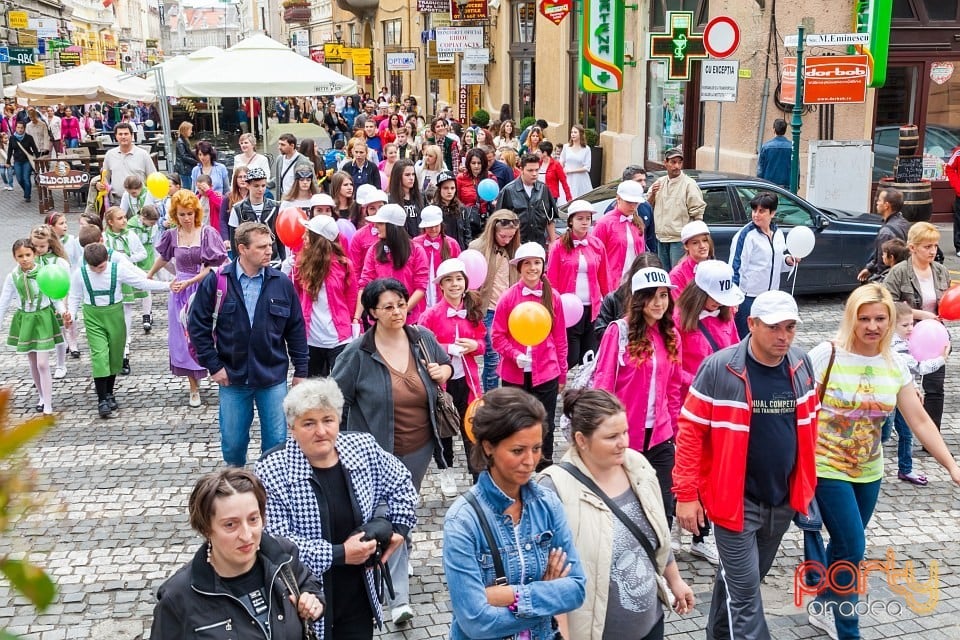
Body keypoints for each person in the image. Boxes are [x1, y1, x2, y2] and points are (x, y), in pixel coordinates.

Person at [804, 284, 960, 640]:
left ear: (890, 321)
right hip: (826, 466)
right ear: (851, 319)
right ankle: (849, 630)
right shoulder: (826, 354)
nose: (872, 326)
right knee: (854, 548)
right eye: (864, 318)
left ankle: (824, 600)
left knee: (844, 543)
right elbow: (794, 407)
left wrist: (951, 465)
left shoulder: (894, 363)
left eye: (879, 318)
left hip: (870, 470)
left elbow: (919, 420)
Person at [673, 290, 818, 640]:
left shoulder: (801, 363)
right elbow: (690, 431)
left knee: (742, 583)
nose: (783, 336)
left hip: (781, 501)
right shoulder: (720, 368)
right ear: (751, 324)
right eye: (773, 328)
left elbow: (810, 427)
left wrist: (808, 486)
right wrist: (686, 494)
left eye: (790, 327)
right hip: (733, 502)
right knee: (747, 599)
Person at [254, 378, 418, 639]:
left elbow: (402, 482)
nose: (321, 431)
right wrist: (339, 554)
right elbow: (275, 540)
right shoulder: (272, 469)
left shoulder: (363, 448)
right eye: (309, 423)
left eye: (328, 420)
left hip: (358, 593)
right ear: (291, 428)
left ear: (339, 419)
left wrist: (397, 527)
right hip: (303, 598)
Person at [331, 277, 453, 626]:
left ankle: (396, 559)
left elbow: (447, 367)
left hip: (420, 448)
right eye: (388, 306)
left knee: (402, 512)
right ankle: (398, 597)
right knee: (388, 516)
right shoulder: (357, 353)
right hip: (376, 455)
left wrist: (443, 370)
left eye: (401, 304)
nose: (397, 311)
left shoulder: (422, 340)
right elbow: (336, 400)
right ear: (372, 312)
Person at [540, 389, 696, 640]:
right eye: (611, 436)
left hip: (651, 624)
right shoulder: (554, 488)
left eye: (624, 431)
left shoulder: (637, 465)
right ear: (581, 440)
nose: (623, 442)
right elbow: (550, 577)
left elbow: (657, 530)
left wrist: (675, 580)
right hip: (596, 632)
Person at [442, 387, 586, 640]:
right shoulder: (463, 520)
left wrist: (511, 595)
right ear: (488, 448)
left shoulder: (548, 504)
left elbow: (576, 589)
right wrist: (547, 594)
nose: (530, 461)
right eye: (518, 451)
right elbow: (475, 621)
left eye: (537, 448)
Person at [150, 469, 325, 639]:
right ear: (206, 528)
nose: (247, 535)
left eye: (253, 519)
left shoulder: (281, 557)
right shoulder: (178, 597)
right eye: (230, 525)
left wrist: (313, 600)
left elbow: (308, 585)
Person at [187, 221, 308, 467]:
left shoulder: (281, 283)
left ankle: (271, 490)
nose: (269, 251)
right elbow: (197, 326)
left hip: (272, 377)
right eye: (261, 246)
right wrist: (214, 366)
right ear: (242, 249)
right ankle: (237, 487)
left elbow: (295, 328)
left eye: (270, 245)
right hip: (232, 377)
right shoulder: (217, 282)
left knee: (276, 444)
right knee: (233, 445)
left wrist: (301, 370)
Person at [593, 265, 682, 522]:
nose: (658, 302)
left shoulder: (671, 335)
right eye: (651, 295)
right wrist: (604, 435)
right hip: (624, 437)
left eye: (664, 295)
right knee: (625, 511)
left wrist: (676, 432)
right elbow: (604, 385)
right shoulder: (618, 331)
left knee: (663, 511)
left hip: (661, 437)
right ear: (638, 298)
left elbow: (673, 388)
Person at [671, 259, 743, 564]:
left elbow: (737, 351)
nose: (720, 304)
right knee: (685, 465)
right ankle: (676, 524)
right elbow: (672, 367)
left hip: (720, 406)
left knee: (710, 469)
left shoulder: (726, 316)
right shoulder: (676, 321)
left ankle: (701, 534)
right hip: (688, 405)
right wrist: (704, 381)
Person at [68, 243, 170, 418]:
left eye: (101, 266)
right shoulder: (81, 274)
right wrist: (71, 314)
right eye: (94, 268)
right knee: (100, 356)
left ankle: (109, 392)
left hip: (115, 314)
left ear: (106, 259)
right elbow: (74, 296)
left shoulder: (118, 270)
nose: (98, 270)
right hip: (93, 317)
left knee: (115, 356)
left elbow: (141, 282)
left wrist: (168, 285)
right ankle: (101, 399)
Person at [148, 190, 227, 407]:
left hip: (203, 288)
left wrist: (191, 282)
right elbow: (164, 258)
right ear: (175, 215)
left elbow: (213, 266)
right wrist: (149, 275)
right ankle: (193, 386)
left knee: (213, 335)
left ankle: (221, 377)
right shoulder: (172, 235)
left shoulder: (207, 233)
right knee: (183, 338)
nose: (186, 218)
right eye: (182, 214)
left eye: (190, 213)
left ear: (196, 213)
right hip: (180, 291)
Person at [492, 242, 567, 469]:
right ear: (519, 267)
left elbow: (560, 338)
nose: (532, 268)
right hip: (514, 375)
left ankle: (545, 468)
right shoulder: (508, 298)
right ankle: (516, 467)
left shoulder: (553, 297)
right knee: (515, 423)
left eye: (537, 263)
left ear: (543, 266)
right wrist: (514, 355)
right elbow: (497, 336)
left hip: (546, 373)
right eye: (528, 264)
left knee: (544, 424)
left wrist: (562, 374)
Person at [419, 258, 487, 490]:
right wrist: (448, 349)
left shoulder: (473, 311)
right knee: (444, 430)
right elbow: (422, 346)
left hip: (468, 383)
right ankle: (445, 470)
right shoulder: (431, 315)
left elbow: (483, 344)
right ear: (441, 286)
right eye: (449, 280)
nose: (455, 284)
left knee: (472, 429)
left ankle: (478, 476)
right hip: (442, 384)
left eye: (459, 279)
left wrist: (473, 346)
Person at [883, 221, 950, 432]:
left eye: (935, 246)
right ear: (912, 247)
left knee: (935, 387)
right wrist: (920, 314)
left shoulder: (940, 271)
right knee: (901, 386)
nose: (933, 251)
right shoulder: (899, 272)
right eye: (927, 246)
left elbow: (946, 302)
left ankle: (932, 436)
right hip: (905, 338)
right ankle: (898, 433)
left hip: (934, 338)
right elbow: (888, 304)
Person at [0, 239, 66, 414]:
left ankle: (49, 405)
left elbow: (54, 296)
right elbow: (4, 301)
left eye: (28, 255)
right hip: (25, 320)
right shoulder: (12, 277)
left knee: (43, 363)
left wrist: (63, 311)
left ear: (35, 254)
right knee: (33, 361)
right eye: (20, 256)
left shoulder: (43, 273)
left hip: (43, 318)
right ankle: (41, 396)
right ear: (14, 257)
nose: (24, 259)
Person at [885, 301, 947, 486]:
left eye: (912, 323)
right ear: (891, 325)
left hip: (904, 394)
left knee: (906, 433)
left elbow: (908, 374)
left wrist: (913, 387)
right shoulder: (896, 346)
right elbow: (919, 367)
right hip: (890, 395)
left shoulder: (906, 341)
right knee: (884, 433)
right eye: (905, 325)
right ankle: (867, 463)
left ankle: (906, 469)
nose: (911, 328)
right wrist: (941, 359)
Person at [291, 216, 358, 377]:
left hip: (339, 338)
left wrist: (352, 323)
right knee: (314, 391)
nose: (303, 237)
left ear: (318, 239)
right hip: (311, 338)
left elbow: (352, 299)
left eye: (307, 234)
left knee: (340, 388)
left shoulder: (344, 265)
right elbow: (296, 295)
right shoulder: (300, 264)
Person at [546, 199, 610, 368]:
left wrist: (609, 305)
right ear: (571, 221)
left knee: (589, 357)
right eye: (580, 218)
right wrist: (553, 308)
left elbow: (604, 278)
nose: (584, 222)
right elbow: (551, 280)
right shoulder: (558, 247)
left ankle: (583, 392)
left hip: (593, 310)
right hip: (568, 310)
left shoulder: (597, 245)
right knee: (570, 356)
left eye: (587, 219)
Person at [729, 191, 799, 338]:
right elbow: (735, 268)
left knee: (766, 338)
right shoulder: (746, 235)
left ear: (772, 213)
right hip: (748, 298)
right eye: (754, 210)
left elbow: (776, 260)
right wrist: (734, 299)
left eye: (761, 211)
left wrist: (788, 260)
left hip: (771, 297)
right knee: (745, 338)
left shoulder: (778, 233)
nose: (756, 215)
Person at [356, 204, 429, 324]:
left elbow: (420, 287)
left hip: (409, 320)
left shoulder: (416, 250)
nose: (375, 226)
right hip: (381, 321)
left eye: (380, 223)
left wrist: (401, 312)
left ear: (392, 227)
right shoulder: (374, 250)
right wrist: (356, 317)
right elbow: (365, 283)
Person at [102, 206, 147, 375]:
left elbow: (142, 253)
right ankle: (110, 350)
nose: (124, 220)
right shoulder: (105, 238)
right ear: (110, 222)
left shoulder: (130, 235)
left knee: (126, 314)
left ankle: (124, 351)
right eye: (120, 218)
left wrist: (128, 258)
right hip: (109, 279)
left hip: (125, 276)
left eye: (124, 217)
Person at [646, 147, 705, 271]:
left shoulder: (689, 185)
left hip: (679, 241)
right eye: (673, 162)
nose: (677, 166)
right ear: (665, 163)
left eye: (679, 162)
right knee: (663, 276)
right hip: (660, 239)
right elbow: (648, 207)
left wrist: (691, 243)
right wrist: (652, 195)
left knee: (678, 275)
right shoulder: (659, 183)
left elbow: (698, 215)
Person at [495, 154, 558, 248]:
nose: (534, 174)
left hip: (538, 243)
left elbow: (550, 218)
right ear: (521, 170)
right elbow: (498, 222)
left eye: (537, 170)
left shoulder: (543, 189)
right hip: (515, 244)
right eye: (530, 170)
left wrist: (553, 242)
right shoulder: (508, 191)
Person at [593, 180, 646, 288]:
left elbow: (641, 252)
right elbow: (595, 256)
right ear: (618, 198)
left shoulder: (637, 222)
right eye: (629, 202)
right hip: (612, 283)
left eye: (635, 203)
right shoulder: (604, 223)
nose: (633, 206)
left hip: (635, 282)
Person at [227, 167, 284, 264]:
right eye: (256, 186)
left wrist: (284, 260)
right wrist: (237, 264)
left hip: (272, 260)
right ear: (248, 185)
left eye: (263, 185)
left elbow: (280, 239)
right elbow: (234, 241)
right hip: (248, 262)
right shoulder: (237, 209)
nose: (260, 189)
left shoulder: (276, 207)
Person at [857, 187, 910, 283]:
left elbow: (883, 266)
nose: (877, 202)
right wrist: (869, 269)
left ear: (886, 205)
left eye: (879, 200)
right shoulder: (904, 222)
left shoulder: (885, 233)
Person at [412, 205, 461, 307]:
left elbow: (459, 271)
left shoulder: (452, 244)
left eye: (436, 225)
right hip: (421, 295)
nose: (433, 229)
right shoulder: (415, 243)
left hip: (444, 294)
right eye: (429, 226)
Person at [125, 203, 161, 334]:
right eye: (150, 222)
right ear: (143, 217)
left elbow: (155, 242)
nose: (152, 225)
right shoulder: (131, 227)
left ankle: (147, 315)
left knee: (147, 287)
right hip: (134, 260)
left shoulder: (154, 227)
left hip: (148, 259)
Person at [102, 122, 157, 207]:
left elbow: (153, 177)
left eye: (126, 134)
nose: (123, 136)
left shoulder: (143, 154)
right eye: (120, 134)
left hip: (139, 202)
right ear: (116, 136)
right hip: (117, 202)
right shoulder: (110, 155)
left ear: (131, 135)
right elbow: (105, 177)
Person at [669, 220, 714, 296]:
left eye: (705, 240)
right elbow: (678, 305)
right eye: (695, 243)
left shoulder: (717, 268)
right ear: (686, 246)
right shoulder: (677, 274)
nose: (702, 246)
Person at [432, 170, 471, 250]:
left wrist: (466, 250)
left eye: (452, 188)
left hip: (458, 250)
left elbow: (467, 233)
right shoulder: (433, 209)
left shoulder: (462, 208)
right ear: (439, 189)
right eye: (445, 188)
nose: (449, 191)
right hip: (441, 250)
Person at [388, 159, 425, 237]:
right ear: (398, 176)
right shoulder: (390, 200)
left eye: (413, 174)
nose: (411, 178)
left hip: (420, 243)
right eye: (407, 175)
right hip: (402, 244)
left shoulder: (421, 196)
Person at [7, 121, 39, 203]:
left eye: (21, 128)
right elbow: (10, 150)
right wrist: (8, 161)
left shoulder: (29, 137)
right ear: (16, 128)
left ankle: (27, 196)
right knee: (19, 179)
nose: (20, 129)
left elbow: (35, 149)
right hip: (17, 161)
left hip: (27, 160)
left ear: (24, 128)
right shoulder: (12, 138)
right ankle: (26, 190)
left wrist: (38, 159)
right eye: (18, 127)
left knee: (26, 178)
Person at [559, 125, 593, 199]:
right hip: (567, 178)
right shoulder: (566, 147)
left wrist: (571, 171)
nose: (573, 134)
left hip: (581, 179)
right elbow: (561, 159)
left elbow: (587, 167)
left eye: (575, 132)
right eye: (572, 132)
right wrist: (561, 169)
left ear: (580, 134)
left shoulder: (586, 149)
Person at [756, 118, 792, 190]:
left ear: (774, 129)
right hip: (786, 187)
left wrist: (759, 185)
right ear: (785, 130)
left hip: (769, 186)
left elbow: (760, 170)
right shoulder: (791, 147)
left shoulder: (766, 147)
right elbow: (796, 168)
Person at [175, 121, 198, 191]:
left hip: (186, 167)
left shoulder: (184, 140)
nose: (191, 131)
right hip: (184, 169)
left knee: (189, 187)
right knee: (188, 188)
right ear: (185, 130)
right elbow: (184, 156)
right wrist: (196, 162)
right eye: (190, 129)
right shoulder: (180, 142)